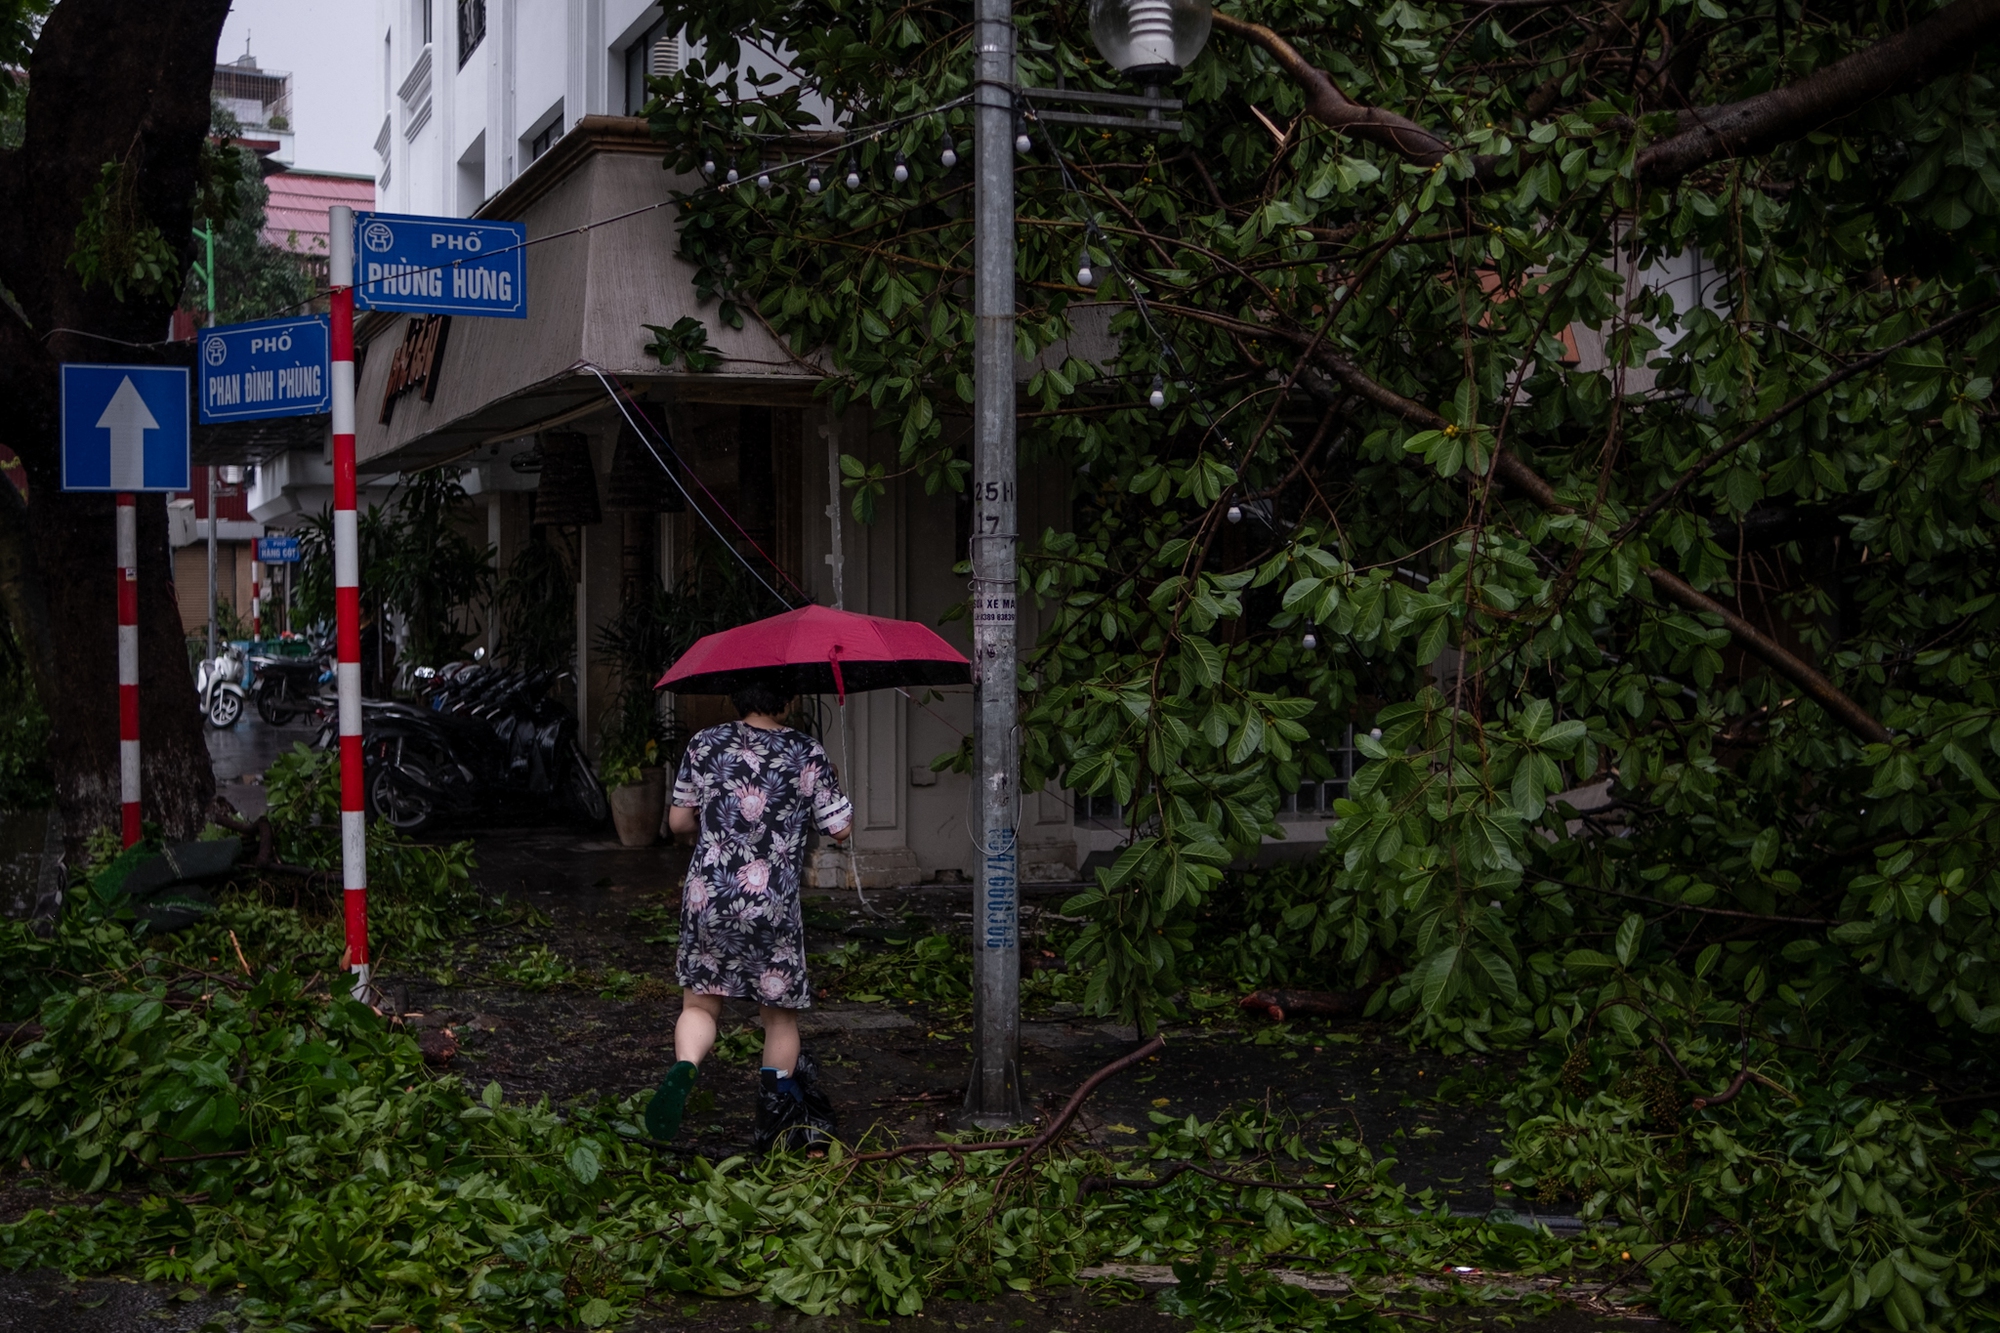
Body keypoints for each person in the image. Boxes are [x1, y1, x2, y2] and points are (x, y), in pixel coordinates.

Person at [646, 679, 852, 1153]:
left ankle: (686, 1066)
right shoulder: (807, 752)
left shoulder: (704, 743)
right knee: (779, 1020)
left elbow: (678, 822)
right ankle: (776, 1124)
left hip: (708, 897)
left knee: (699, 1005)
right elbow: (839, 829)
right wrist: (828, 778)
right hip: (771, 905)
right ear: (785, 697)